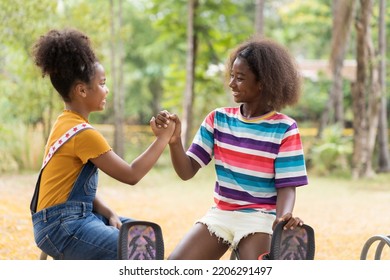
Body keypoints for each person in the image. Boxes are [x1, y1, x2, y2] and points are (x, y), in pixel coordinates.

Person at [155, 37, 308, 260]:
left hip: (261, 217)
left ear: (262, 83)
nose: (231, 84)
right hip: (221, 214)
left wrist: (283, 218)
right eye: (232, 76)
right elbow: (186, 171)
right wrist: (175, 141)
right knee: (175, 266)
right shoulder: (218, 119)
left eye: (240, 78)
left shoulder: (285, 128)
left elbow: (287, 187)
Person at [30, 28, 175, 260]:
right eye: (102, 83)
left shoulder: (64, 122)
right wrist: (163, 139)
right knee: (140, 250)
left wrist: (107, 211)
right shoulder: (83, 134)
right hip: (63, 227)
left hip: (69, 219)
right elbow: (131, 174)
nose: (107, 89)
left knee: (147, 236)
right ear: (82, 90)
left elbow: (66, 189)